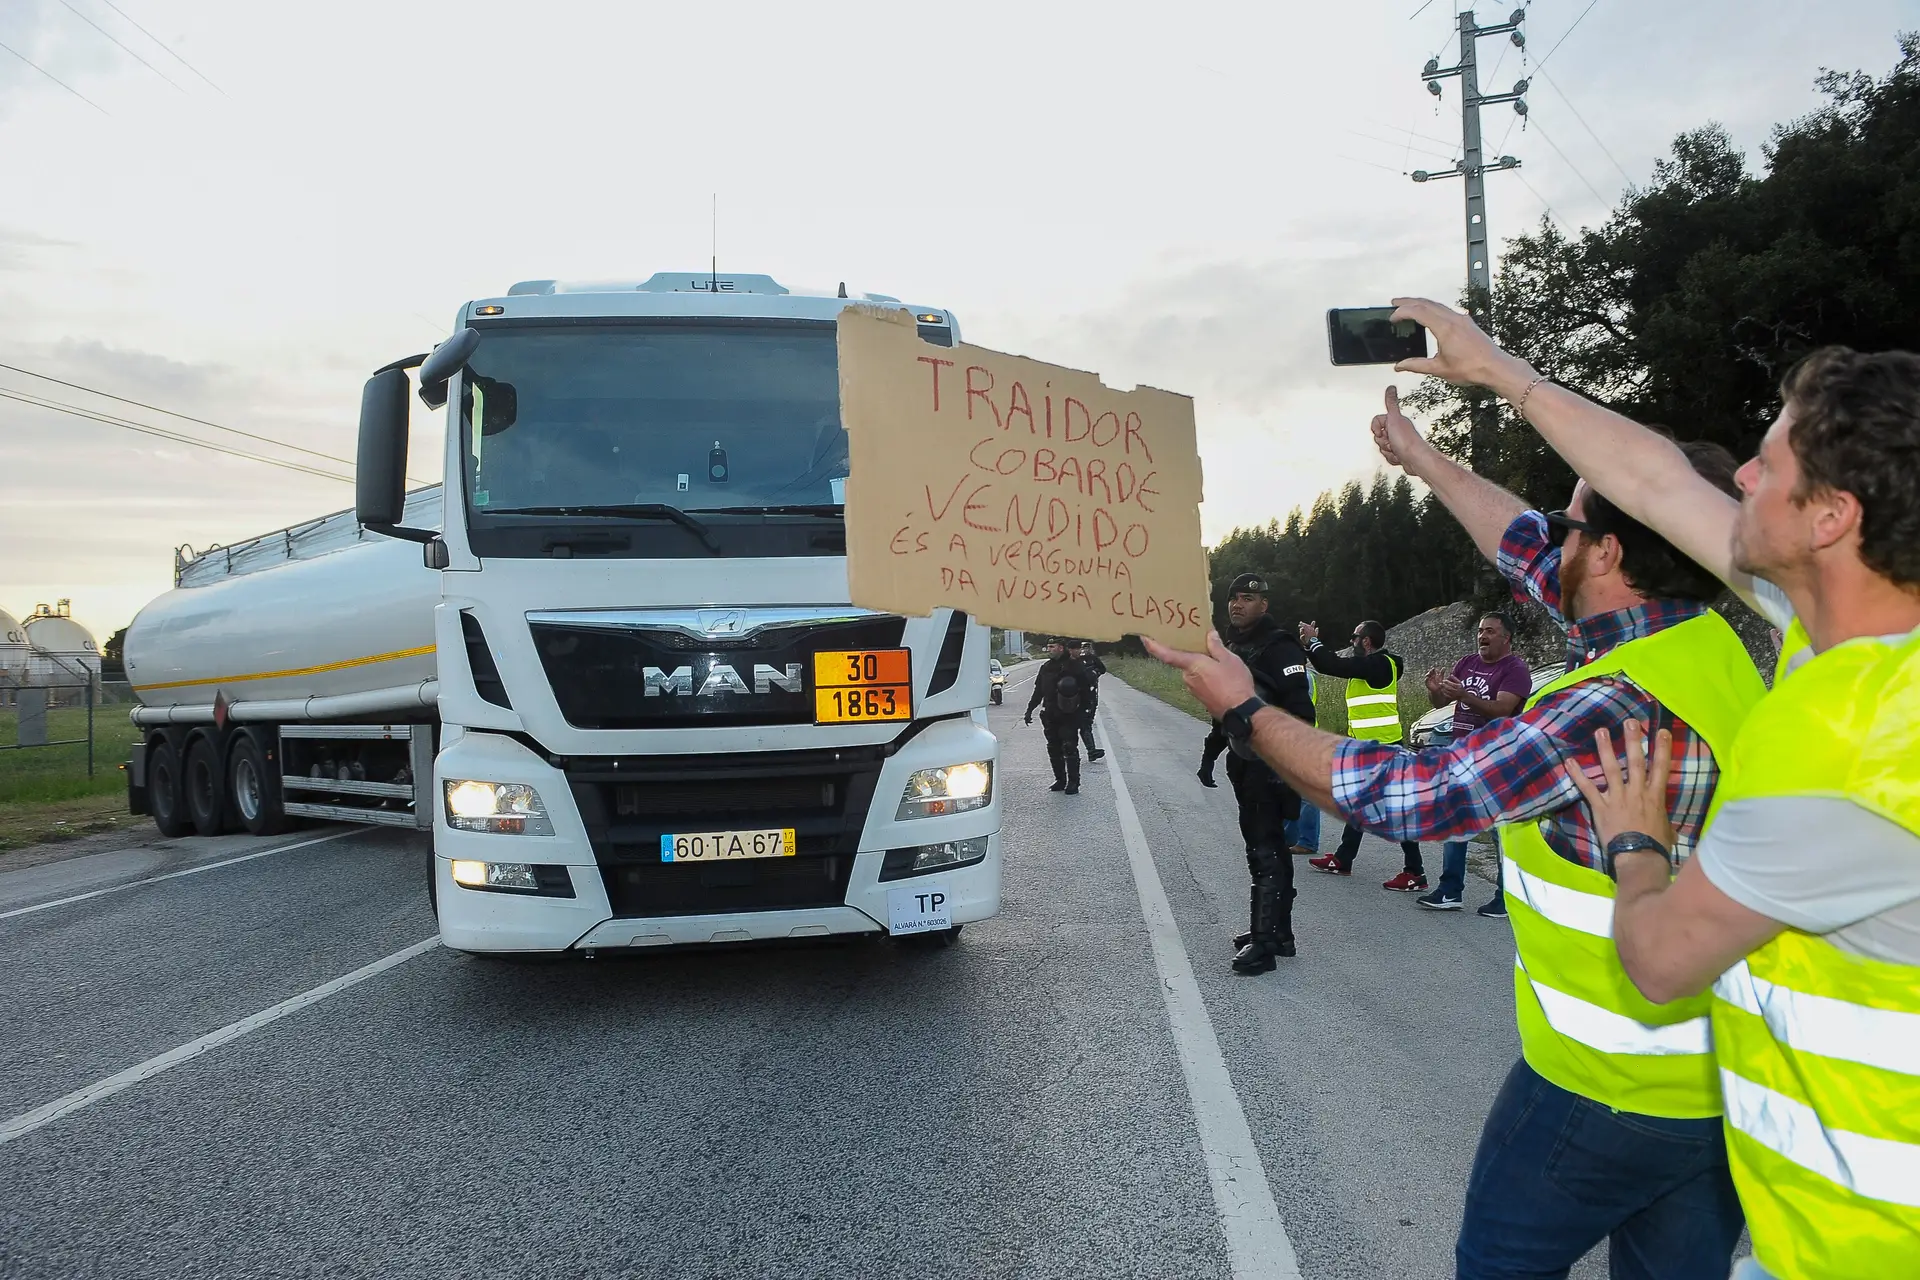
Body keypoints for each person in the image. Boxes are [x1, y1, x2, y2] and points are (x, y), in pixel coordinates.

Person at [1145, 388, 1764, 1280]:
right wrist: (1422, 458)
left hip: (1611, 1084)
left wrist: (1240, 706)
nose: (1551, 536)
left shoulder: (1607, 704)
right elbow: (1524, 547)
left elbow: (1416, 797)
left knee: (1495, 1266)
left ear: (1612, 550)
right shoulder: (1697, 639)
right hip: (1720, 1084)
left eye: (1571, 521)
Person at [1394, 297, 1920, 1280]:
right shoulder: (1837, 626)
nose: (1740, 475)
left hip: (1869, 1243)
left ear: (1833, 517)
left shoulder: (1861, 749)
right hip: (1798, 1209)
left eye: (1770, 464)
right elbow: (1651, 477)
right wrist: (1502, 373)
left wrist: (1636, 845)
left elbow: (1663, 959)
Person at [1216, 573, 1317, 973]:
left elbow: (1301, 713)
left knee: (1265, 848)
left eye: (1247, 598)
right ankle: (1279, 934)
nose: (1238, 605)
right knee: (1264, 845)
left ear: (1264, 605)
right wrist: (1211, 753)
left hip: (1269, 763)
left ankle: (1264, 945)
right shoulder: (1235, 646)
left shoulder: (1280, 648)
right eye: (1233, 599)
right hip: (1243, 761)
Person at [1298, 618, 1428, 890]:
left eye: (1355, 637)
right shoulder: (1373, 666)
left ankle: (1415, 872)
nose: (1351, 642)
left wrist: (1313, 641)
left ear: (1366, 642)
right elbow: (1329, 665)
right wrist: (1311, 648)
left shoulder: (1378, 665)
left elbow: (1333, 665)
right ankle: (1344, 859)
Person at [1419, 612, 1531, 912]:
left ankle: (1506, 898)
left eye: (1491, 631)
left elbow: (1503, 710)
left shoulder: (1515, 669)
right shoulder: (1467, 663)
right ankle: (1449, 891)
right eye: (1481, 630)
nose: (1483, 636)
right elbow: (1444, 703)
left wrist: (1465, 695)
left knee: (1499, 832)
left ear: (1506, 638)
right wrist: (1435, 693)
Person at [1024, 637, 1094, 796]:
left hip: (1069, 715)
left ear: (1061, 648)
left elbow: (1085, 691)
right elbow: (1038, 691)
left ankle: (1074, 782)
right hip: (1050, 714)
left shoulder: (1074, 667)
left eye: (1052, 646)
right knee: (1053, 749)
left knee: (1069, 748)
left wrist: (1085, 712)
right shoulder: (1046, 667)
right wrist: (1029, 710)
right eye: (1048, 646)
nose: (1049, 649)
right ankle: (1060, 780)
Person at [1075, 640, 1108, 762]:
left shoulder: (1093, 659)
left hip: (1091, 695)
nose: (1085, 650)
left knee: (1087, 723)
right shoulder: (1075, 660)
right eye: (1083, 647)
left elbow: (1103, 669)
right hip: (1077, 696)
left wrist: (1095, 672)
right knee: (1078, 724)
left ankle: (1091, 751)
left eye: (1087, 647)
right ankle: (1079, 751)